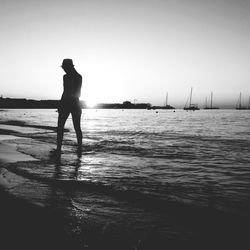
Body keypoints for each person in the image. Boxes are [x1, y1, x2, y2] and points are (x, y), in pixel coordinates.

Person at [56, 58, 82, 153]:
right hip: (66, 104)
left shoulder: (78, 77)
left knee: (77, 127)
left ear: (69, 67)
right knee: (60, 127)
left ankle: (79, 148)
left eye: (64, 67)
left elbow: (78, 93)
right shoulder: (65, 77)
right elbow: (65, 91)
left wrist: (67, 101)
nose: (63, 69)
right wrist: (61, 104)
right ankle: (58, 149)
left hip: (74, 104)